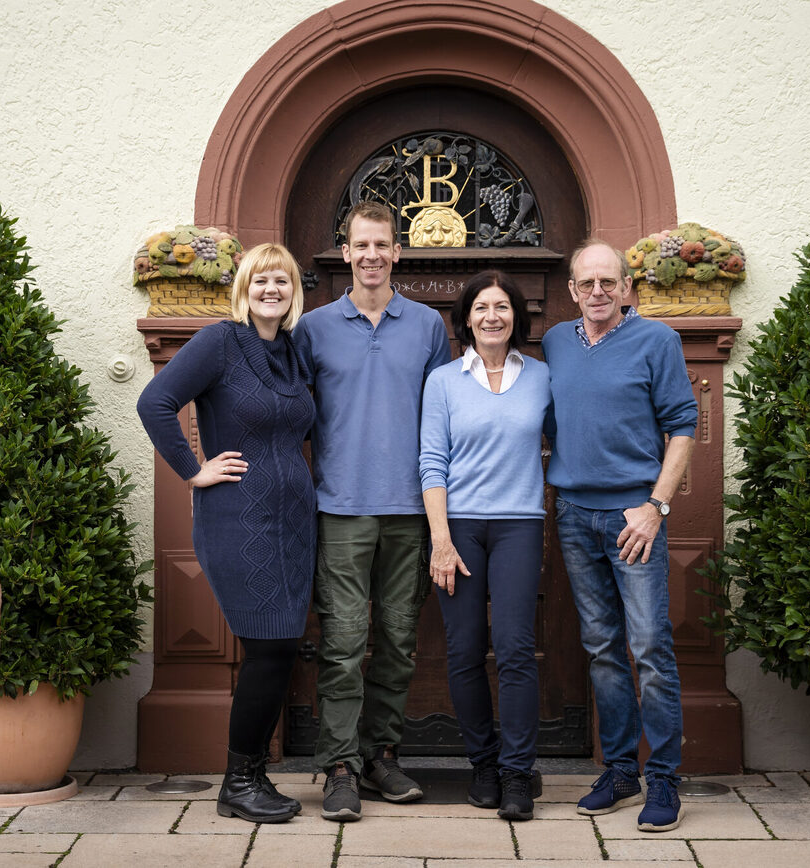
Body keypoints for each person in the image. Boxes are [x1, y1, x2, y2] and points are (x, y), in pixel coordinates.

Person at [136, 242, 315, 825]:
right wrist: (193, 470)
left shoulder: (290, 351)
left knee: (281, 649)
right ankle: (239, 782)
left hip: (293, 525)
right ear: (244, 288)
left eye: (282, 282)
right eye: (261, 280)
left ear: (293, 293)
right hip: (239, 520)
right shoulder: (219, 340)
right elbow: (155, 402)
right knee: (266, 650)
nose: (272, 290)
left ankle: (249, 777)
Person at [295, 200, 452, 822]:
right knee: (341, 642)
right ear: (345, 251)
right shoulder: (314, 327)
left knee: (398, 641)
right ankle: (338, 767)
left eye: (381, 245)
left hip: (411, 511)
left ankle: (381, 755)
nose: (371, 256)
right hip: (339, 508)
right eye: (361, 246)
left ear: (398, 252)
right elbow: (289, 410)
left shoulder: (427, 326)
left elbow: (445, 417)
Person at [543, 239, 697, 833]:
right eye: (587, 283)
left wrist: (655, 507)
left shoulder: (657, 341)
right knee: (603, 649)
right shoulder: (557, 341)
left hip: (636, 520)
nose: (598, 292)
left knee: (651, 649)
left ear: (627, 288)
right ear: (573, 290)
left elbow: (683, 427)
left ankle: (663, 779)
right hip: (575, 515)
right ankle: (620, 771)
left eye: (610, 282)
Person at [418, 270, 550, 821]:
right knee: (464, 650)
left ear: (516, 316)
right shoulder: (444, 381)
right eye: (480, 307)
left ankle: (519, 771)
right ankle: (484, 764)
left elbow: (574, 435)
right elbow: (432, 463)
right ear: (466, 318)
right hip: (461, 527)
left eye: (502, 306)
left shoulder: (543, 376)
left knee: (517, 648)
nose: (491, 316)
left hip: (521, 522)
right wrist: (441, 541)